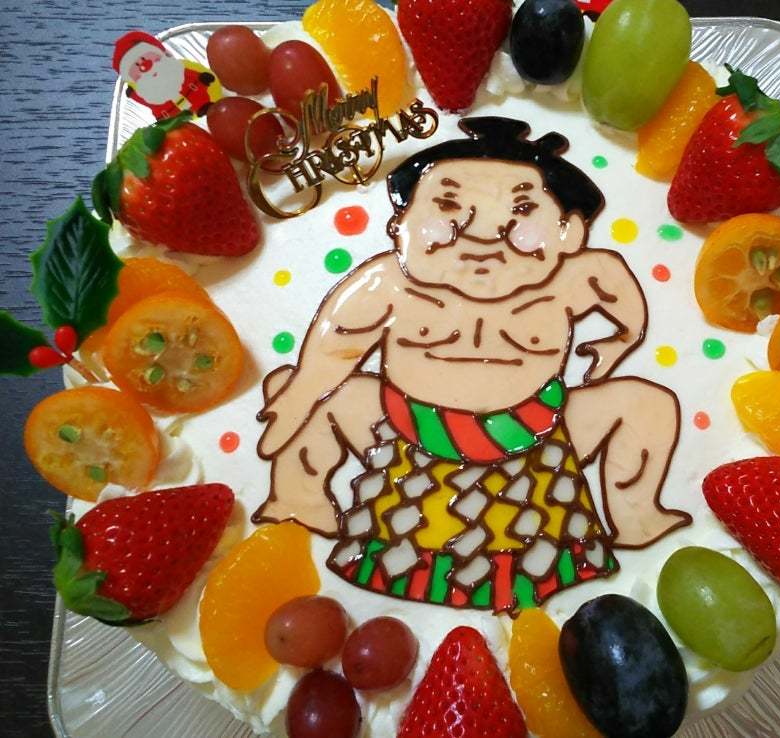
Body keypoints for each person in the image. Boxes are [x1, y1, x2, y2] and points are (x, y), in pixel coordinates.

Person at [256, 118, 689, 609]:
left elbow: (618, 293)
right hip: (403, 434)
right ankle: (299, 502)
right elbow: (334, 349)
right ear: (399, 226)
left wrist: (621, 341)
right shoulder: (387, 284)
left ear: (570, 233)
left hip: (541, 435)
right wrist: (295, 401)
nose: (483, 233)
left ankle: (637, 517)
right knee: (294, 385)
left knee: (646, 404)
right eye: (448, 206)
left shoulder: (573, 279)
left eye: (521, 210)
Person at [112, 31, 217, 119]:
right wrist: (133, 94)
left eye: (144, 58)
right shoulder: (147, 91)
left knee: (199, 97)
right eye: (136, 65)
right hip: (170, 115)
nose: (144, 66)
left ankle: (203, 107)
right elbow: (143, 100)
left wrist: (201, 78)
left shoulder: (176, 70)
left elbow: (189, 74)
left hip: (193, 95)